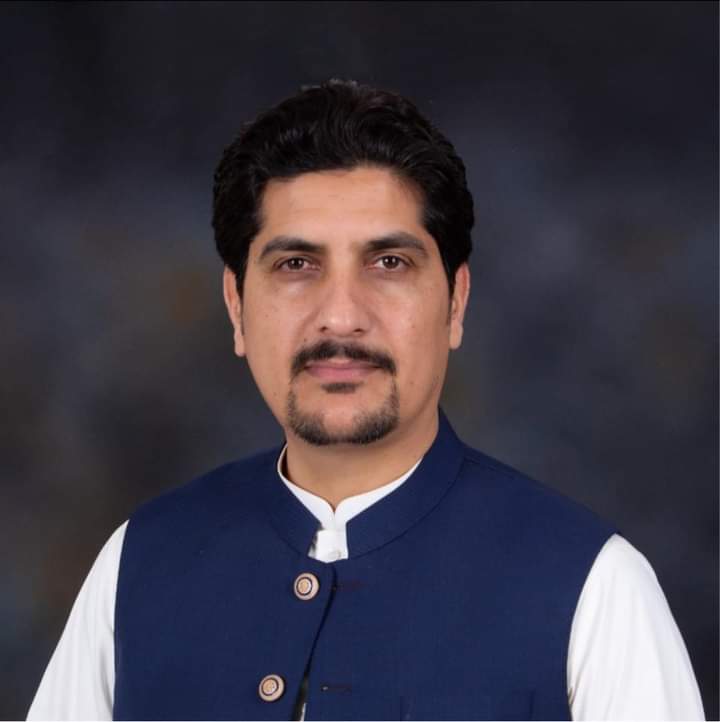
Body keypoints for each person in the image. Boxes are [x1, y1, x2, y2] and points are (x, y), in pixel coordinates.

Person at [28, 79, 704, 721]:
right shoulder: (139, 565)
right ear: (236, 307)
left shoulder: (594, 589)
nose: (341, 317)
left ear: (456, 303)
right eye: (296, 265)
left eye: (389, 263)